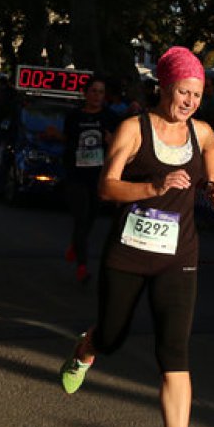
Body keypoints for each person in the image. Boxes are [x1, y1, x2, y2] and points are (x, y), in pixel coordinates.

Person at [58, 47, 214, 427]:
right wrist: (154, 186)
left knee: (175, 353)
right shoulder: (134, 129)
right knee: (112, 337)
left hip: (179, 256)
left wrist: (211, 184)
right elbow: (107, 187)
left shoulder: (200, 131)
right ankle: (86, 349)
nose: (190, 101)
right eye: (183, 92)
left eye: (197, 95)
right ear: (164, 87)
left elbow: (213, 144)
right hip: (129, 252)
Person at [62, 76, 119, 284]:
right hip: (76, 176)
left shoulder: (111, 117)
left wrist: (112, 142)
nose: (97, 95)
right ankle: (82, 266)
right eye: (93, 91)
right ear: (85, 93)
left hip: (99, 176)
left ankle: (76, 244)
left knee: (90, 218)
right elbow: (68, 141)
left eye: (101, 92)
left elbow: (120, 146)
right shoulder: (74, 116)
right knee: (81, 217)